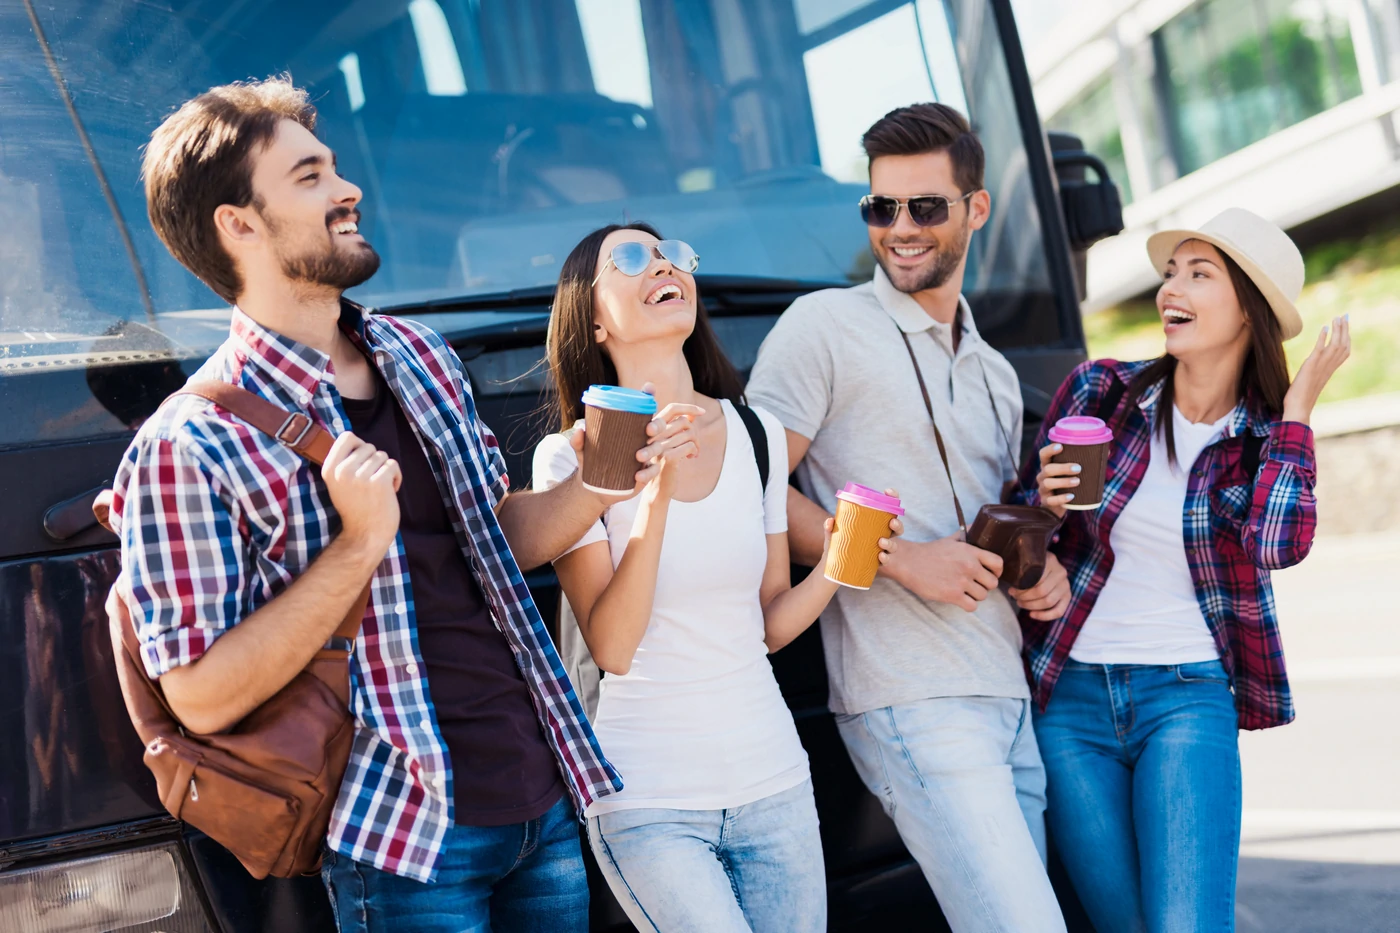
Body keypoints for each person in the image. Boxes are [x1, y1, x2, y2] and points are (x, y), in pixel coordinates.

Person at [110, 77, 627, 933]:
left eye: (334, 169)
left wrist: (606, 477)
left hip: (541, 796)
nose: (348, 189)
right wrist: (355, 547)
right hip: (408, 841)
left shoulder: (417, 353)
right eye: (309, 177)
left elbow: (493, 543)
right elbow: (199, 697)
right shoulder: (186, 446)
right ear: (238, 225)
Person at [745, 103, 1069, 933]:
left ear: (977, 208)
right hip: (910, 698)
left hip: (1005, 695)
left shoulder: (997, 373)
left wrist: (1041, 571)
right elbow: (742, 483)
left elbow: (985, 527)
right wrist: (899, 558)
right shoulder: (823, 326)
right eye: (880, 208)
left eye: (926, 207)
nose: (901, 229)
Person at [530, 222, 899, 933]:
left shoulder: (754, 432)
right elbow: (613, 646)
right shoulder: (570, 459)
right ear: (595, 317)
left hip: (775, 786)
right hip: (647, 802)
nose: (663, 265)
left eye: (672, 254)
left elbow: (765, 625)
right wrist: (656, 494)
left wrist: (839, 561)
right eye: (632, 258)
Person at [1023, 208, 1350, 932]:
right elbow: (1023, 522)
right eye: (1171, 271)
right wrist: (1039, 525)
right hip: (1070, 701)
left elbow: (1277, 543)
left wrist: (1296, 413)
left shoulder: (1264, 436)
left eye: (1201, 273)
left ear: (1248, 310)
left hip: (1186, 697)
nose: (1173, 285)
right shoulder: (1101, 393)